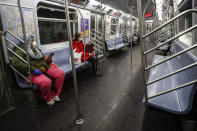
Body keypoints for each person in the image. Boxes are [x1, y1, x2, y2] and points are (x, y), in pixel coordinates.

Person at [12, 35, 65, 105]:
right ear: (27, 41)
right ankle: (48, 98)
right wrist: (33, 69)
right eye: (32, 40)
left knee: (60, 74)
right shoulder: (20, 50)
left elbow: (43, 60)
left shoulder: (36, 49)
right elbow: (16, 63)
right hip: (32, 72)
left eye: (34, 40)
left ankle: (55, 94)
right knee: (46, 82)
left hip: (43, 68)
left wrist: (48, 61)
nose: (34, 42)